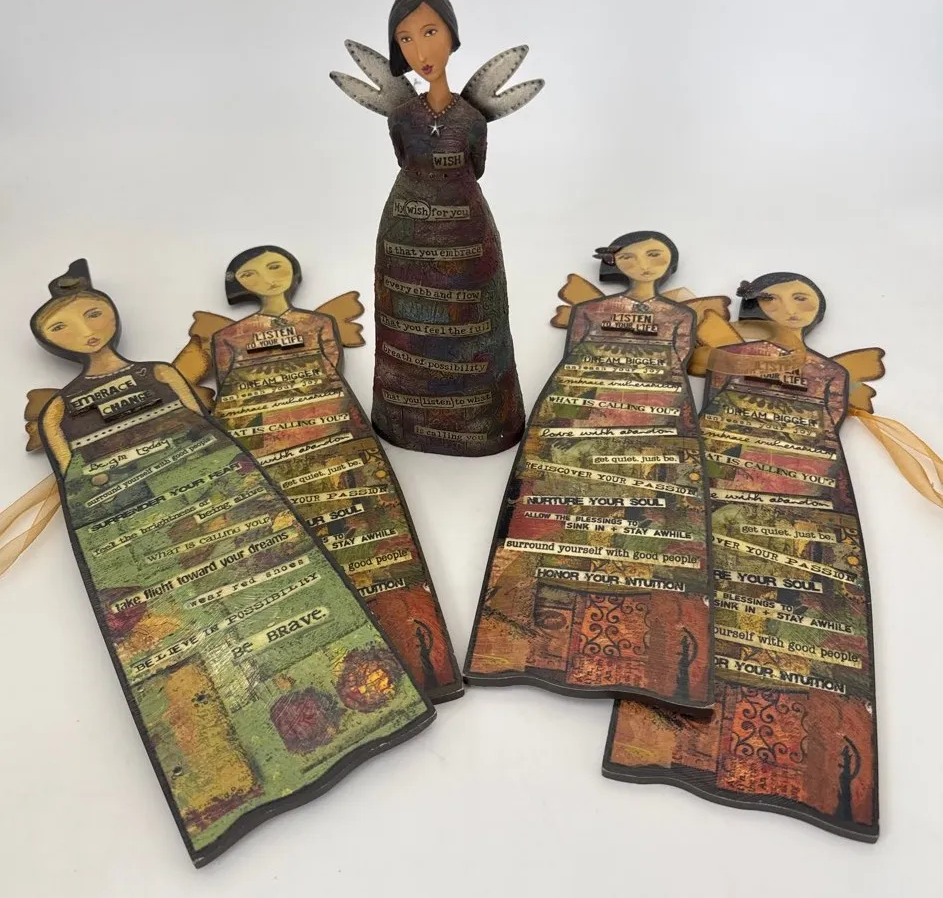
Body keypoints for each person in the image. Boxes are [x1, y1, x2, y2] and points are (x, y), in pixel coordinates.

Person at [30, 261, 434, 865]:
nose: (86, 330)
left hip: (219, 494)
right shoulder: (61, 408)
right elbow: (70, 472)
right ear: (51, 340)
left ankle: (360, 713)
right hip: (136, 528)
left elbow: (203, 424)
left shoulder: (159, 373)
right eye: (63, 327)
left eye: (93, 314)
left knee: (281, 585)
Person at [604, 272, 879, 842]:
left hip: (806, 502)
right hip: (727, 489)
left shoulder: (830, 373)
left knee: (803, 616)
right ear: (758, 304)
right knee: (709, 597)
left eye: (803, 298)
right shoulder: (732, 358)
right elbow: (716, 413)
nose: (793, 307)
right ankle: (669, 741)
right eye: (779, 297)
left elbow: (826, 431)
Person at [464, 232, 713, 709]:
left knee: (641, 529)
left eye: (655, 255)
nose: (644, 264)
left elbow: (676, 364)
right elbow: (575, 361)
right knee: (556, 518)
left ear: (669, 263)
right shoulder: (591, 311)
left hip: (654, 425)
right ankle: (523, 642)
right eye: (631, 256)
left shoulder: (680, 316)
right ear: (616, 262)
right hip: (584, 424)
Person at [207, 245, 463, 702]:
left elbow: (329, 370)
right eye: (251, 274)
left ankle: (423, 664)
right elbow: (232, 393)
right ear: (239, 285)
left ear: (292, 272)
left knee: (370, 535)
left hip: (336, 435)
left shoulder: (319, 324)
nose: (267, 279)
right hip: (269, 447)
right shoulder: (230, 336)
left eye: (275, 267)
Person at [331, 0, 543, 455]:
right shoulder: (401, 117)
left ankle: (481, 423)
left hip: (467, 231)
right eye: (406, 39)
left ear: (452, 34)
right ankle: (405, 421)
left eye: (430, 32)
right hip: (404, 233)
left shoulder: (472, 119)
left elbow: (474, 167)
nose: (421, 51)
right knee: (405, 322)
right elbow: (408, 160)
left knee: (476, 321)